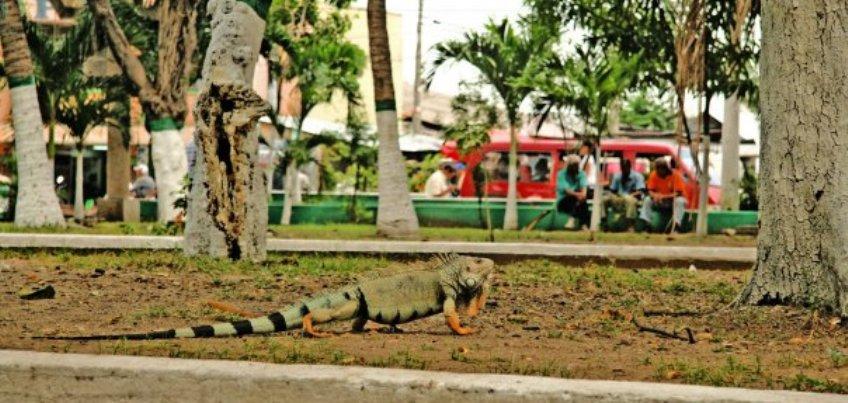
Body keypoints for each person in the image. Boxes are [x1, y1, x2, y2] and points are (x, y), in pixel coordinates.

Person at [640, 158, 688, 232]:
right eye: (657, 169)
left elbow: (679, 193)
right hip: (660, 201)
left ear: (665, 169)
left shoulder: (675, 175)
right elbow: (650, 190)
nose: (658, 171)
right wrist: (654, 195)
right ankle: (647, 225)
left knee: (680, 201)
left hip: (672, 201)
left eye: (660, 169)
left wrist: (664, 197)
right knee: (647, 200)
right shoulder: (654, 174)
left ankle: (676, 226)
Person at [607, 158, 645, 226]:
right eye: (622, 167)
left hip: (633, 198)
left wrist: (629, 195)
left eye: (625, 167)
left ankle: (630, 225)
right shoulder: (617, 176)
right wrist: (613, 196)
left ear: (629, 167)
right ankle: (603, 223)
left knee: (629, 199)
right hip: (619, 198)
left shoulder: (637, 176)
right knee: (604, 199)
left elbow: (641, 192)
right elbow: (612, 191)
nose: (624, 170)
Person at [556, 155, 589, 230]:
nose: (576, 167)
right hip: (564, 201)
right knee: (576, 199)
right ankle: (583, 224)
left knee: (582, 202)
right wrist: (579, 195)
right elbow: (567, 191)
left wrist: (582, 195)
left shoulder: (581, 174)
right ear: (569, 166)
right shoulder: (561, 174)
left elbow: (584, 189)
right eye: (574, 166)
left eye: (577, 165)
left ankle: (573, 220)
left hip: (578, 200)